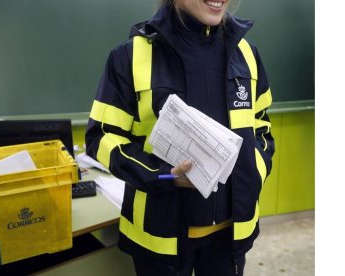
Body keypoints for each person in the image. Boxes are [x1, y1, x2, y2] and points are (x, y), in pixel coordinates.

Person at [85, 0, 274, 275]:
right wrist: (161, 174)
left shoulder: (247, 54)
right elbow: (102, 136)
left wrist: (251, 172)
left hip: (229, 238)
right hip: (159, 239)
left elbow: (262, 129)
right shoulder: (130, 56)